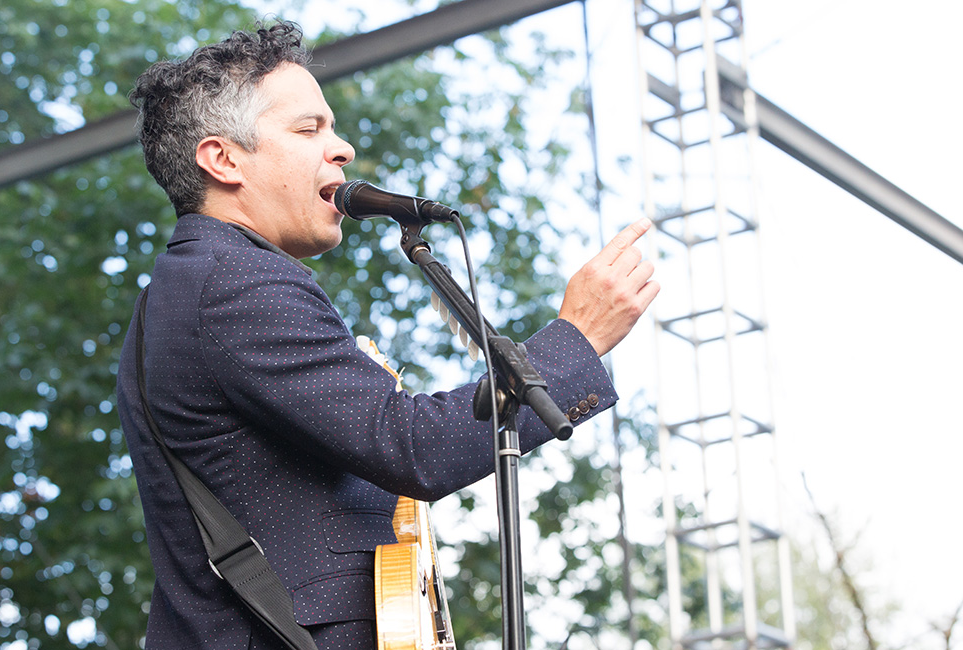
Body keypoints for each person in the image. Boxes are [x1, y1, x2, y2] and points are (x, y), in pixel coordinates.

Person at [116, 19, 659, 650]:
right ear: (223, 159)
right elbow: (412, 448)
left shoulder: (196, 282)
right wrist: (577, 338)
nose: (342, 149)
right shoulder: (237, 282)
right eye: (308, 129)